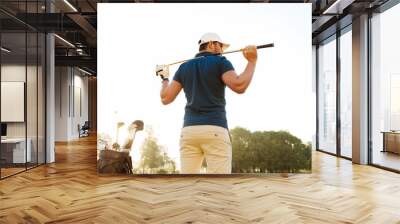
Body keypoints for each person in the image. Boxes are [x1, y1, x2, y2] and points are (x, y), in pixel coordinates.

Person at [157, 32, 258, 174]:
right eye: (221, 46)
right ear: (211, 44)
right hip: (214, 129)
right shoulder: (221, 62)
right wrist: (252, 61)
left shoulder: (184, 67)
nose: (222, 50)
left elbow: (165, 98)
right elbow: (239, 85)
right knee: (218, 188)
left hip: (189, 133)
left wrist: (164, 78)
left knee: (188, 186)